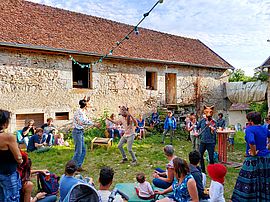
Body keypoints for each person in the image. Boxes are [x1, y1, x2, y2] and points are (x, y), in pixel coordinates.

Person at [231, 112, 270, 201]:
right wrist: (267, 146)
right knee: (263, 180)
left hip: (254, 160)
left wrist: (253, 152)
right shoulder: (264, 128)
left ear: (251, 121)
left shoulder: (250, 129)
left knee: (249, 181)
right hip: (266, 159)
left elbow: (251, 141)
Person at [0, 109, 23, 202]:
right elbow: (18, 157)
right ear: (5, 123)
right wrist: (21, 161)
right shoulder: (8, 137)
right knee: (12, 197)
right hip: (8, 173)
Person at [72, 96, 100, 171]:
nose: (89, 105)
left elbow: (85, 118)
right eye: (88, 104)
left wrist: (85, 100)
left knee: (83, 150)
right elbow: (82, 122)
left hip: (80, 132)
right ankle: (71, 168)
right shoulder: (79, 112)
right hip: (77, 132)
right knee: (78, 151)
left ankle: (78, 166)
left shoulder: (82, 111)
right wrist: (94, 124)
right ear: (85, 106)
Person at [197, 107, 217, 173]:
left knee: (211, 158)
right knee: (200, 156)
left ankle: (212, 171)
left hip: (210, 142)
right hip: (203, 141)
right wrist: (197, 133)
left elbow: (215, 132)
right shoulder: (202, 121)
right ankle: (203, 170)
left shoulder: (213, 121)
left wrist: (212, 129)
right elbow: (197, 127)